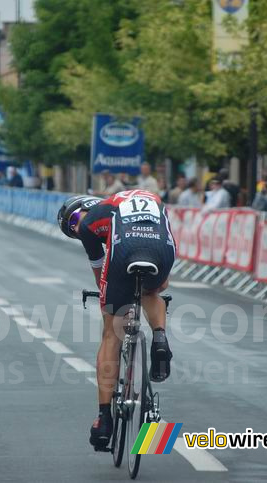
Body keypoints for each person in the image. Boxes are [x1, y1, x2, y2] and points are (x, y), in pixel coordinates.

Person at [57, 190, 175, 451]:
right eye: (72, 230)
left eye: (74, 220)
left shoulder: (91, 222)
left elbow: (101, 277)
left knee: (111, 333)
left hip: (124, 252)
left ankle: (104, 420)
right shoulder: (134, 200)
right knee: (154, 289)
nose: (77, 228)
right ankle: (160, 338)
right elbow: (164, 274)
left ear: (86, 206)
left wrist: (108, 295)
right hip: (161, 247)